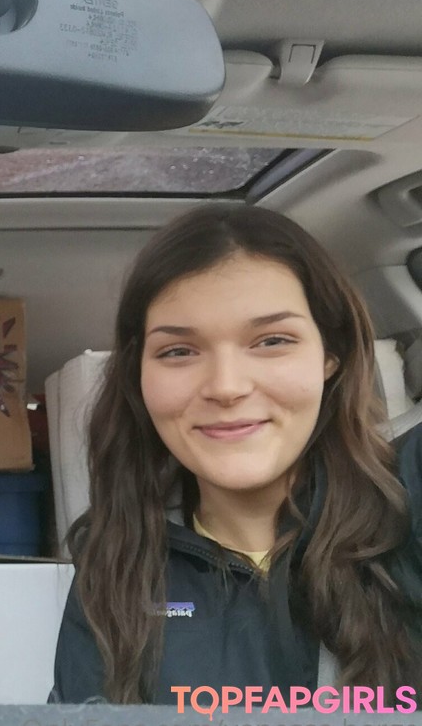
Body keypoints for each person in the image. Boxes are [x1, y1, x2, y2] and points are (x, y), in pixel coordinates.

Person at [51, 204, 422, 704]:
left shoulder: (409, 504)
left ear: (330, 356)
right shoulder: (113, 563)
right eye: (178, 351)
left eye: (272, 341)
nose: (226, 387)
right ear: (139, 374)